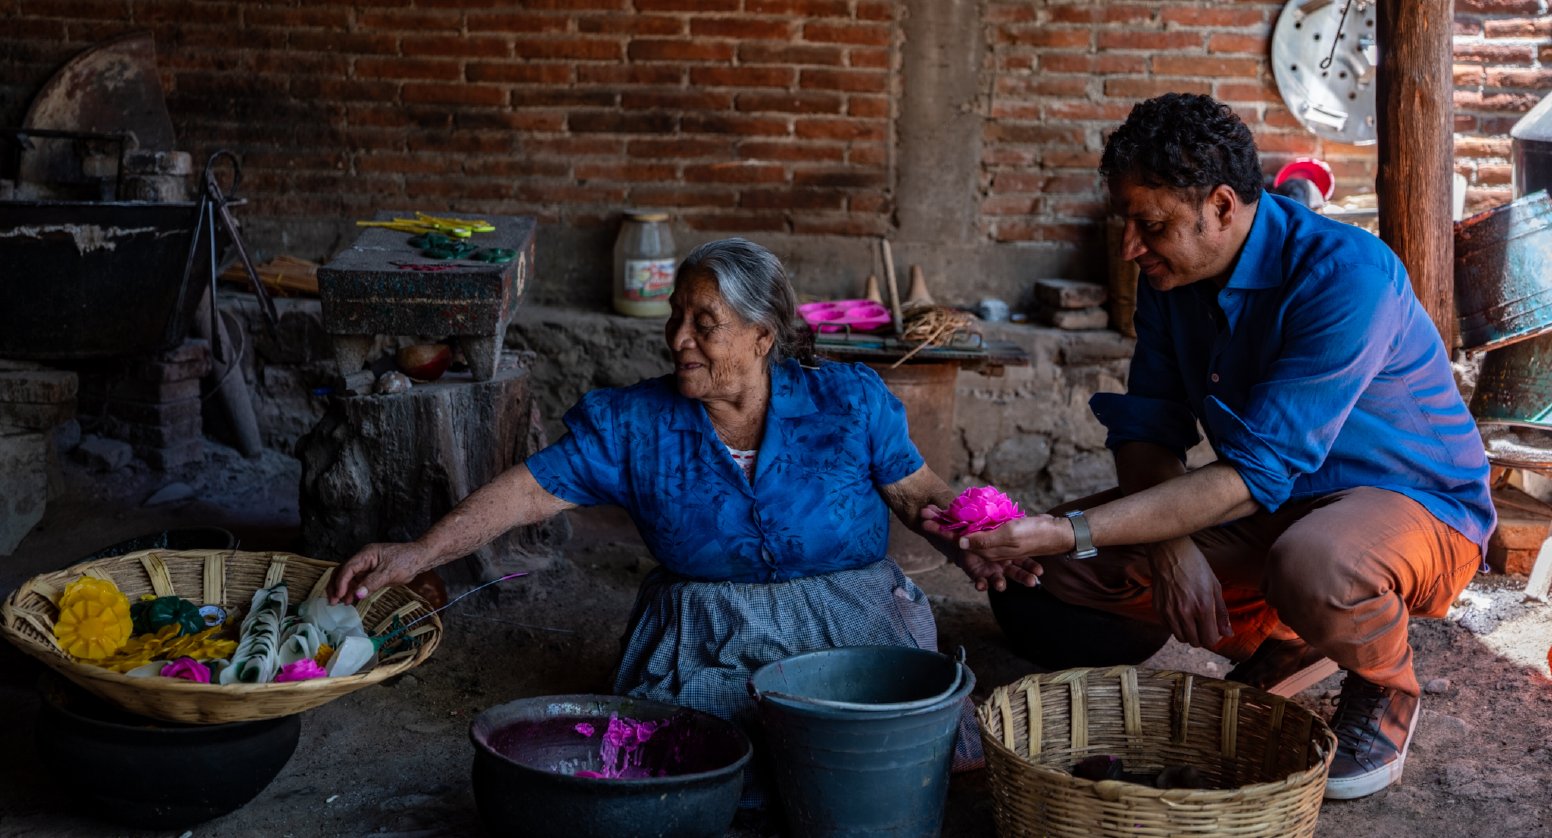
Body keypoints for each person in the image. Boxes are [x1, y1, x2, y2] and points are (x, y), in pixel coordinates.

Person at [929, 93, 1495, 801]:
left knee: (1314, 562)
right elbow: (1146, 431)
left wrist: (1070, 527)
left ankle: (1386, 685)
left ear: (1224, 206)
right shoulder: (1173, 279)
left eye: (1153, 224)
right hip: (1280, 505)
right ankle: (1290, 637)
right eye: (1127, 222)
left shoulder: (1346, 275)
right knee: (1053, 581)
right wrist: (1171, 548)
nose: (1133, 247)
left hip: (1414, 508)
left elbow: (1257, 471)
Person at [331, 237, 1015, 788]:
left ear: (762, 336)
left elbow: (919, 494)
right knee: (704, 762)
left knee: (880, 755)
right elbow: (526, 490)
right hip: (707, 624)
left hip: (851, 616)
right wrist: (418, 553)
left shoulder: (849, 402)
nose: (678, 337)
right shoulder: (636, 425)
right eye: (676, 318)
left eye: (704, 324)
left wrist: (979, 540)